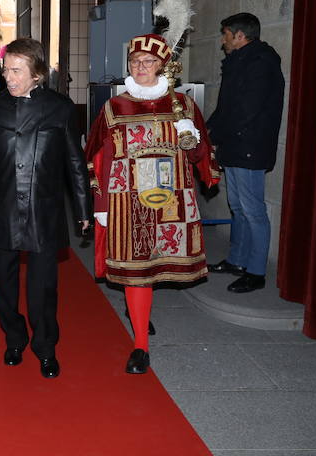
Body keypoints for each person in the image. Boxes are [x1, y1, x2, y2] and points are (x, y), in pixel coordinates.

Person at [85, 33, 221, 374]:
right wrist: (100, 202)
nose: (140, 67)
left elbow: (200, 156)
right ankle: (141, 346)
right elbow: (99, 156)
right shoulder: (114, 107)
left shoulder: (184, 106)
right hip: (126, 202)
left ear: (163, 66)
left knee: (157, 264)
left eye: (148, 62)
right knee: (136, 272)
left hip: (170, 200)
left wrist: (192, 139)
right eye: (134, 62)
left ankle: (140, 315)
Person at [0, 37, 90, 379]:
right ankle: (14, 336)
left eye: (16, 70)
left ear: (37, 73)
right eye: (6, 69)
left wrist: (83, 209)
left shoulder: (60, 107)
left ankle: (45, 346)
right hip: (3, 204)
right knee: (2, 285)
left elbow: (74, 161)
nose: (8, 77)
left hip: (44, 208)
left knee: (43, 287)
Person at [206, 13, 285, 293]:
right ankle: (237, 260)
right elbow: (226, 106)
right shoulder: (239, 61)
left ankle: (256, 271)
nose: (223, 40)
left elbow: (247, 111)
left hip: (250, 145)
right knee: (237, 206)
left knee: (253, 210)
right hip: (235, 144)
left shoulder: (261, 62)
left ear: (240, 36)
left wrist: (215, 136)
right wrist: (206, 133)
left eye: (226, 34)